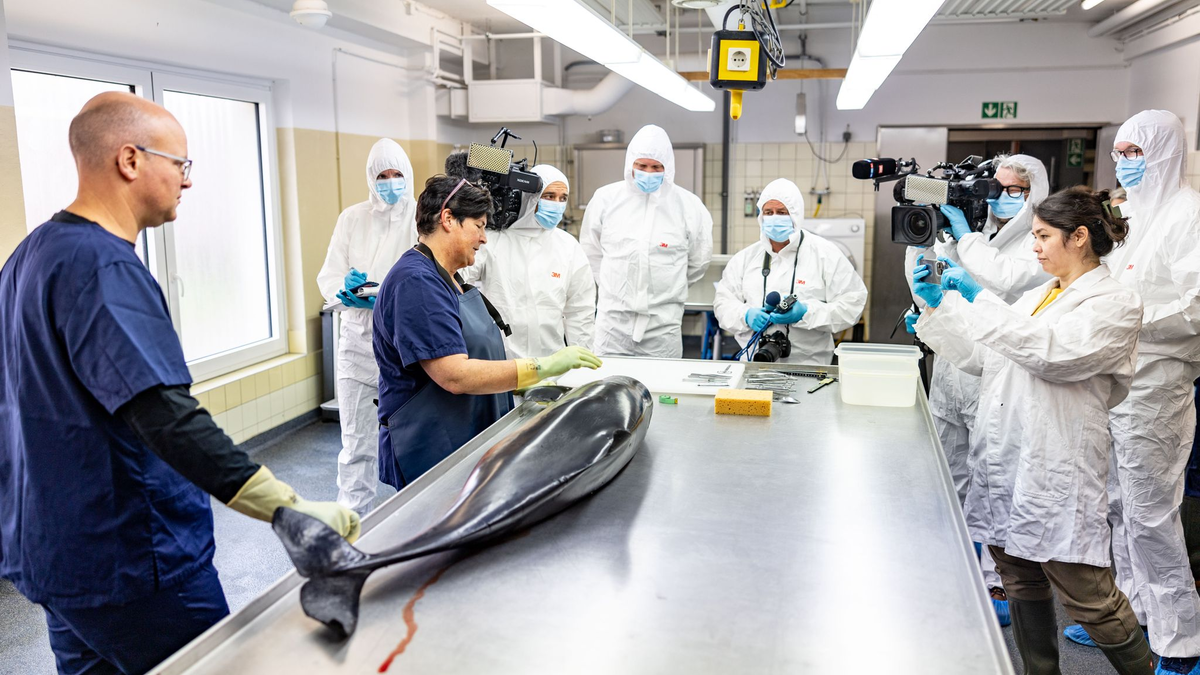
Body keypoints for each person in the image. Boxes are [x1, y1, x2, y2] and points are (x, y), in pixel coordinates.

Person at [0, 92, 358, 675]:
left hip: (54, 555)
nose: (186, 182)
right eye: (180, 164)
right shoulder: (102, 266)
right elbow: (163, 413)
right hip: (133, 561)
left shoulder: (29, 255)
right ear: (130, 160)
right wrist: (286, 508)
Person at [911, 186, 1151, 674]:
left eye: (1042, 236)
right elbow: (985, 357)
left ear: (1079, 237)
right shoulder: (1038, 297)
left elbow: (1053, 354)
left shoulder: (1115, 303)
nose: (1035, 247)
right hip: (1007, 461)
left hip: (1055, 467)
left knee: (1090, 596)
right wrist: (939, 306)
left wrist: (978, 296)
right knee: (1019, 581)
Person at [1061, 110, 1200, 675]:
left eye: (1134, 152)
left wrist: (1132, 321)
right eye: (1118, 153)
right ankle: (1132, 617)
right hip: (1117, 382)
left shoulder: (1188, 215)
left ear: (1164, 151)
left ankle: (1181, 641)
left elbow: (1195, 306)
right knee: (1115, 505)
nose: (1123, 163)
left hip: (1159, 387)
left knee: (1150, 516)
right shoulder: (1129, 213)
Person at [373, 176, 603, 488]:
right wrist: (542, 367)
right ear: (448, 219)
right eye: (479, 226)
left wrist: (516, 388)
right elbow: (454, 375)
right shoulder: (418, 283)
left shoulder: (449, 278)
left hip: (461, 435)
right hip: (431, 445)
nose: (484, 238)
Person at [904, 153, 1051, 626]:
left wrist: (963, 238)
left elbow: (1004, 279)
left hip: (1000, 378)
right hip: (952, 366)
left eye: (1014, 190)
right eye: (998, 188)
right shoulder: (973, 232)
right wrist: (927, 243)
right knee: (947, 477)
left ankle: (998, 581)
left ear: (1033, 195)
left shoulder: (1039, 242)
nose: (1001, 198)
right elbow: (925, 269)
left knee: (996, 481)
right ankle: (950, 565)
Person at [317, 138, 417, 516]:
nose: (390, 183)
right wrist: (345, 292)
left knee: (408, 442)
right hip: (357, 344)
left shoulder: (420, 217)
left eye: (397, 175)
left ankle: (410, 522)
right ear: (370, 179)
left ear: (408, 176)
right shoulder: (352, 218)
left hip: (403, 349)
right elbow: (329, 276)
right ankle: (352, 523)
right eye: (382, 176)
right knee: (357, 445)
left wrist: (390, 298)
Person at [580, 124, 713, 358]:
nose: (648, 172)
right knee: (607, 389)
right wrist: (615, 289)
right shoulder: (606, 199)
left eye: (656, 167)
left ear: (668, 168)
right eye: (641, 166)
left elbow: (698, 261)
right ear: (630, 163)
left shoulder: (689, 206)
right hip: (612, 325)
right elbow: (591, 251)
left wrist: (667, 289)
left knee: (662, 392)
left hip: (663, 327)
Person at [713, 178, 865, 364]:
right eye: (768, 212)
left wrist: (807, 313)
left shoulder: (825, 254)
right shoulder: (746, 258)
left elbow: (853, 304)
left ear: (795, 215)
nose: (774, 217)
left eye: (782, 212)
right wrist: (745, 314)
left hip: (809, 366)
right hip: (754, 364)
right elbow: (722, 303)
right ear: (761, 216)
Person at [461, 163, 595, 358]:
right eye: (549, 196)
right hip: (502, 361)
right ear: (529, 197)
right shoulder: (493, 240)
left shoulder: (568, 246)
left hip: (552, 363)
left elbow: (580, 311)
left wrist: (582, 363)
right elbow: (458, 281)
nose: (556, 204)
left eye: (562, 198)